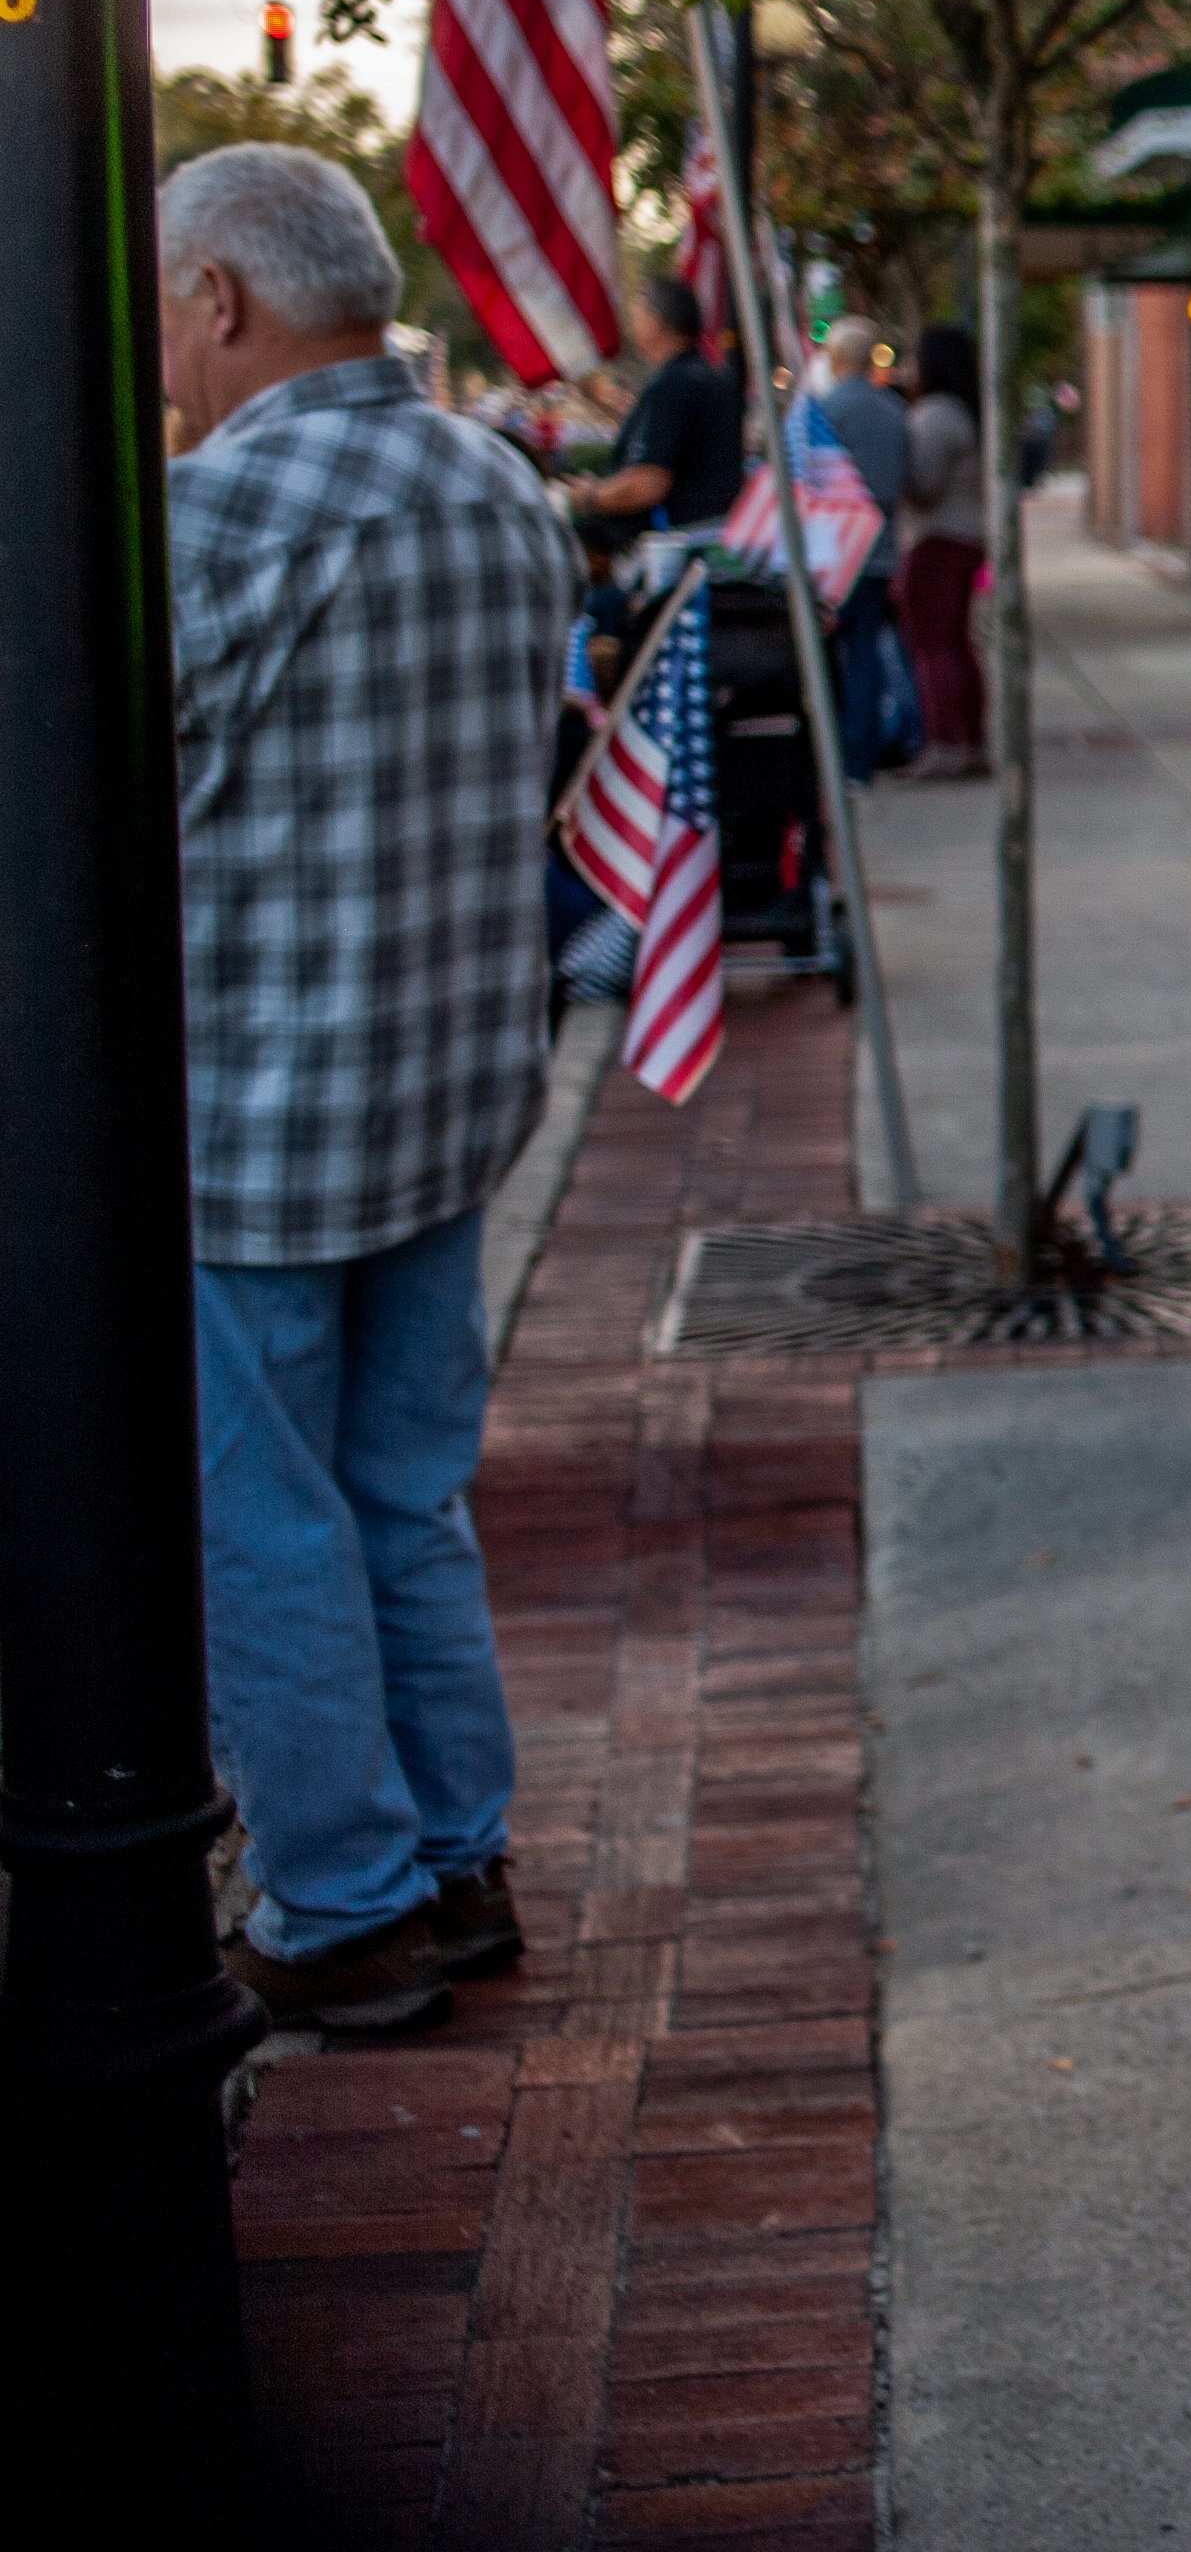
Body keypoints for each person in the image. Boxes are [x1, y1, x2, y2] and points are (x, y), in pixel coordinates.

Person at [158, 143, 582, 2036]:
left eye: (166, 301)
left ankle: (340, 1901)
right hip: (450, 1090)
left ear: (221, 298)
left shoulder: (213, 517)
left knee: (265, 1518)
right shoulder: (500, 485)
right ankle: (457, 1857)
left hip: (253, 1117)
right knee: (407, 1492)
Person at [804, 316, 924, 779]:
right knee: (868, 656)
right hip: (880, 551)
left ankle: (839, 755)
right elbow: (909, 481)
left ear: (835, 361)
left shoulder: (822, 413)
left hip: (833, 555)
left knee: (833, 658)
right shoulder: (895, 413)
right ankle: (864, 754)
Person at [569, 272, 743, 531]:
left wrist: (589, 496)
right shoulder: (710, 377)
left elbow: (649, 484)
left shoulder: (673, 385)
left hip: (678, 546)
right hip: (715, 535)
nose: (632, 322)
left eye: (638, 313)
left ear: (655, 323)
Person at [897, 325, 989, 776]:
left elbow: (924, 485)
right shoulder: (966, 411)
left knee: (933, 645)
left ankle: (946, 743)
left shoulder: (935, 415)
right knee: (956, 642)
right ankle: (969, 741)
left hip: (938, 537)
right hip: (966, 535)